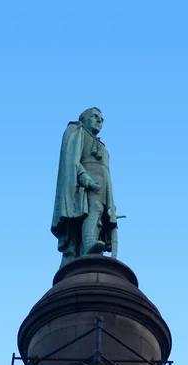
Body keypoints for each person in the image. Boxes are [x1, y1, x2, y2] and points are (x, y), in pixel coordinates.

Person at [51, 107, 117, 266]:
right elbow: (71, 160)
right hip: (86, 184)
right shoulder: (77, 131)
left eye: (101, 119)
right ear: (84, 118)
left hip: (103, 186)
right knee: (93, 209)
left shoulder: (100, 143)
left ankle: (91, 246)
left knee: (100, 214)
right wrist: (84, 177)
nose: (99, 121)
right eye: (95, 117)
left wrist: (111, 199)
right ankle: (89, 242)